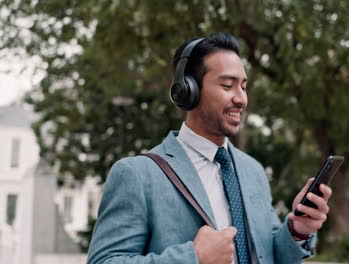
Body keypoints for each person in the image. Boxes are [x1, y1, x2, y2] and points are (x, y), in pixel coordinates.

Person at [87, 32, 332, 264]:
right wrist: (193, 257)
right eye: (227, 86)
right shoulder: (137, 175)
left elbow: (267, 254)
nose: (241, 98)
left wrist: (297, 230)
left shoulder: (253, 170)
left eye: (243, 87)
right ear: (188, 91)